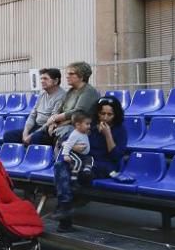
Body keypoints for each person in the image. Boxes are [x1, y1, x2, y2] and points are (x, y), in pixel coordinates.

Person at [49, 97, 128, 231]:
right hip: (85, 161)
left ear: (116, 115)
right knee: (59, 166)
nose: (105, 117)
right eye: (102, 114)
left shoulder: (120, 130)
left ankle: (65, 215)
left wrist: (107, 134)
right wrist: (73, 148)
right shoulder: (88, 125)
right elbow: (64, 141)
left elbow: (116, 157)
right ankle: (66, 208)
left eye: (110, 114)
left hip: (105, 165)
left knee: (73, 174)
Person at [44, 61, 100, 141]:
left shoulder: (89, 91)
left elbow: (78, 112)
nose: (67, 76)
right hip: (62, 125)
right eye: (67, 73)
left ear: (81, 76)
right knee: (35, 136)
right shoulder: (71, 91)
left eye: (71, 74)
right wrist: (53, 122)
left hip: (75, 127)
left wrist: (55, 119)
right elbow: (59, 108)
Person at [14, 68, 66, 145]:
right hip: (36, 127)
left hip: (48, 130)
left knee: (35, 138)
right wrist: (25, 132)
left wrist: (32, 134)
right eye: (41, 78)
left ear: (56, 81)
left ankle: (33, 156)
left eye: (45, 78)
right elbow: (32, 115)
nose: (42, 81)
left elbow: (51, 120)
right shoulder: (42, 94)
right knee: (9, 135)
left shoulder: (61, 96)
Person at [59, 111, 94, 181]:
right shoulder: (74, 134)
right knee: (78, 162)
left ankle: (86, 171)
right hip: (74, 153)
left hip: (83, 154)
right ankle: (74, 177)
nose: (89, 126)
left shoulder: (84, 132)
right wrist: (65, 155)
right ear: (78, 125)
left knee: (90, 159)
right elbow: (68, 144)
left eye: (90, 124)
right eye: (87, 124)